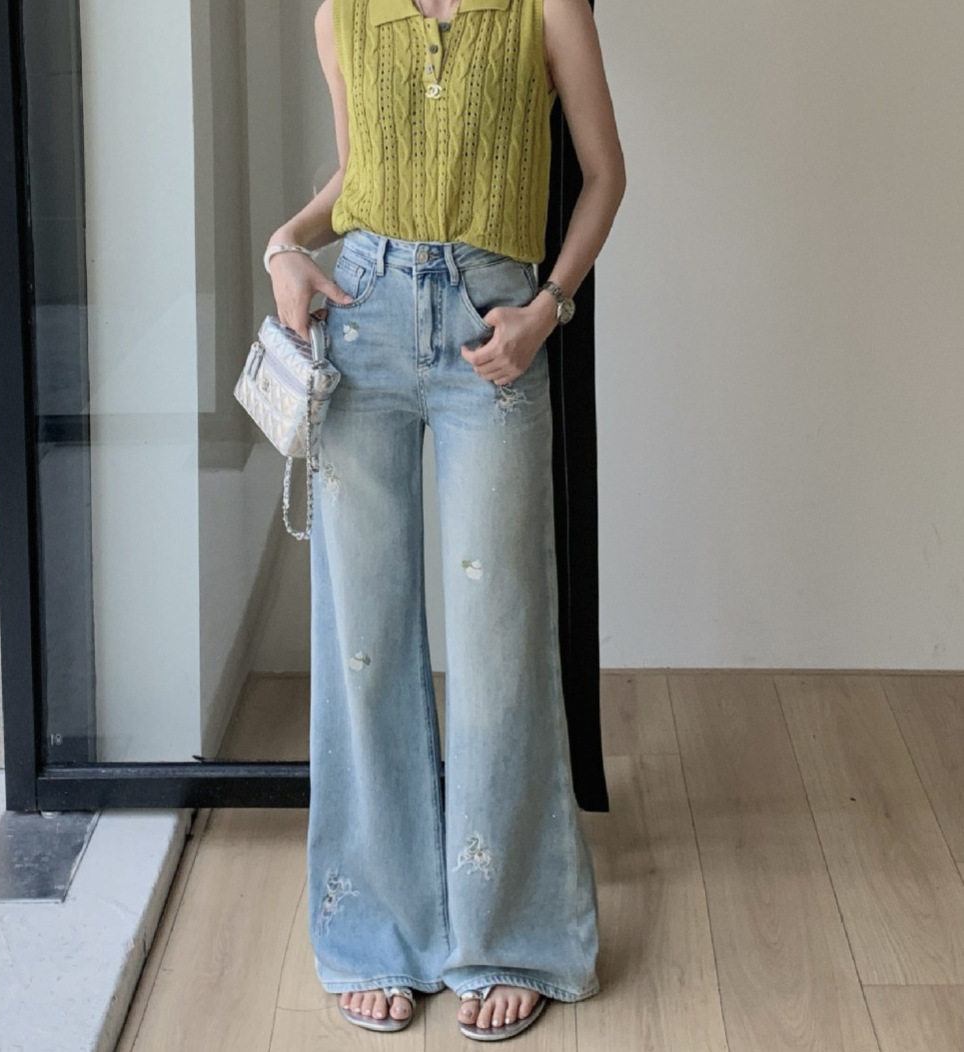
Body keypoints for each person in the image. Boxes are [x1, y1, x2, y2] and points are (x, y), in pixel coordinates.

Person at [264, 0, 625, 1039]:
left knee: (500, 636)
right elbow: (358, 180)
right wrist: (285, 245)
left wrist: (548, 306)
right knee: (366, 641)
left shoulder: (546, 9)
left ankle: (510, 933)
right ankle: (377, 929)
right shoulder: (342, 16)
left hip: (493, 331)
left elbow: (604, 175)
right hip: (360, 321)